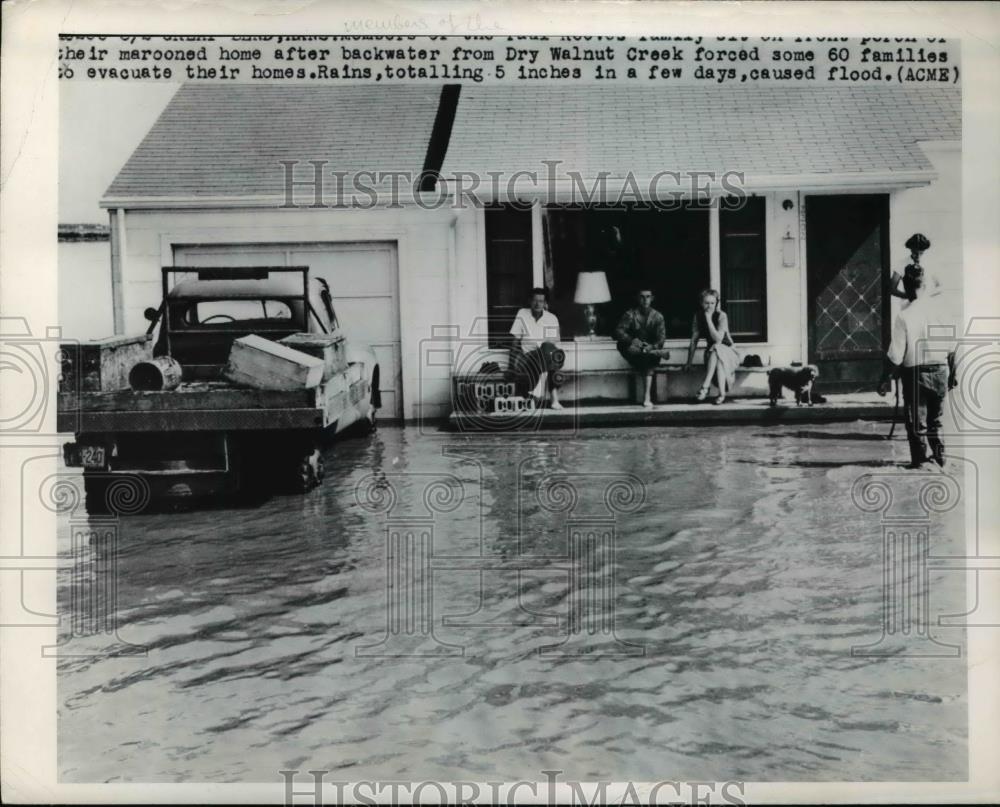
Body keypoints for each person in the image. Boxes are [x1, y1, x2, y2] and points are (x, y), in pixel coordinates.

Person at [878, 264, 957, 468]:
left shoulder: (904, 316)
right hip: (940, 371)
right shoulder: (942, 311)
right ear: (924, 285)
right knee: (936, 421)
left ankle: (920, 465)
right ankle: (941, 460)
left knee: (917, 425)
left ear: (905, 285)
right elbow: (953, 346)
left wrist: (884, 379)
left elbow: (895, 355)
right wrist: (953, 375)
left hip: (914, 375)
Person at [508, 287, 564, 410]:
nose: (538, 304)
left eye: (541, 301)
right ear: (529, 301)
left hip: (550, 355)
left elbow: (553, 344)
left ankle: (538, 392)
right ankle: (553, 398)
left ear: (545, 303)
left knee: (546, 347)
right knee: (544, 353)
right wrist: (510, 365)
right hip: (529, 357)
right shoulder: (522, 314)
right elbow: (515, 341)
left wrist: (546, 351)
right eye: (535, 300)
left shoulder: (551, 318)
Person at [614, 289, 670, 407]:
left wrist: (652, 346)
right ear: (637, 298)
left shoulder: (658, 316)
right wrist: (632, 340)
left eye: (648, 297)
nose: (645, 300)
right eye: (642, 297)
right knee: (630, 349)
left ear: (652, 298)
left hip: (648, 351)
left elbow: (661, 338)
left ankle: (647, 397)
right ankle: (651, 353)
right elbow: (619, 331)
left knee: (648, 358)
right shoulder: (630, 314)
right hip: (634, 350)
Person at [684, 289, 740, 405]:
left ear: (716, 303)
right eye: (706, 303)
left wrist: (709, 319)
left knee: (717, 348)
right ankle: (721, 394)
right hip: (712, 354)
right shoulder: (698, 316)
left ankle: (705, 387)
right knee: (716, 352)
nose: (709, 306)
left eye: (712, 303)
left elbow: (718, 339)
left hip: (730, 352)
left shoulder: (721, 315)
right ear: (701, 303)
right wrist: (688, 362)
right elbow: (694, 341)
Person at [889, 233, 941, 300]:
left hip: (926, 304)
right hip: (909, 306)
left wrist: (927, 297)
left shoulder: (929, 264)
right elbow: (891, 289)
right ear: (911, 249)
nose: (918, 256)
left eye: (921, 253)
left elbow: (940, 286)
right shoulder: (901, 264)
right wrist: (907, 296)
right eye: (915, 253)